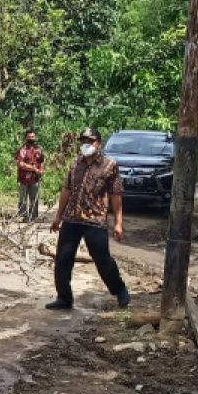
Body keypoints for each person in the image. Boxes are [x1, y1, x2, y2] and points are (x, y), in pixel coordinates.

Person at [46, 127, 131, 310]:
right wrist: (58, 217)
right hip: (72, 218)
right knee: (63, 258)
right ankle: (64, 298)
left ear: (98, 144)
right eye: (83, 141)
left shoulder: (109, 165)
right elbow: (66, 190)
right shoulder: (76, 164)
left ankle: (119, 289)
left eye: (90, 141)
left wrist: (118, 222)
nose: (86, 144)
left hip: (95, 220)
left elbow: (116, 194)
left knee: (102, 259)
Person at [15, 129, 46, 221]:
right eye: (29, 137)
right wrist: (33, 169)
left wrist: (41, 171)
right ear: (26, 138)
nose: (31, 138)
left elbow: (41, 162)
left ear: (35, 137)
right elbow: (20, 164)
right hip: (24, 178)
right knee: (23, 199)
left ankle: (33, 217)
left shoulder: (38, 149)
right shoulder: (23, 149)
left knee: (34, 198)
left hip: (35, 179)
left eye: (32, 137)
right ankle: (23, 217)